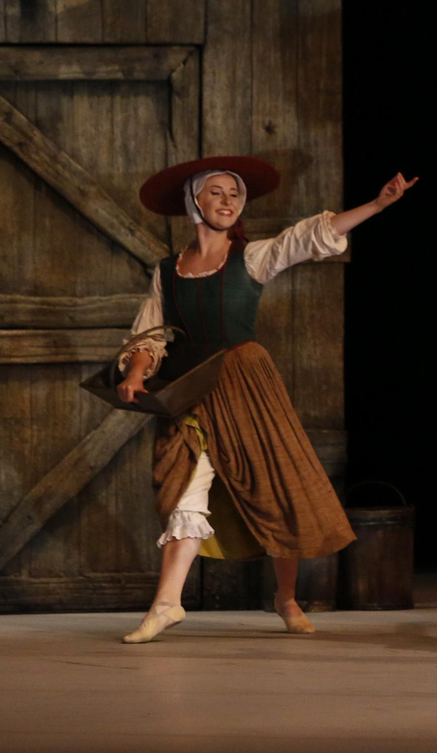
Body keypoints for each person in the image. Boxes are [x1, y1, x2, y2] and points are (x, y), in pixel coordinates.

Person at [116, 157, 417, 644]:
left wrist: (378, 205)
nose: (228, 201)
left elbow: (306, 238)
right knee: (186, 487)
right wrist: (134, 372)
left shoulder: (251, 257)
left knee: (276, 486)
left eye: (234, 195)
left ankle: (287, 598)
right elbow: (149, 335)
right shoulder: (167, 272)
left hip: (245, 383)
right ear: (195, 200)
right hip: (191, 388)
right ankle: (166, 605)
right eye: (216, 192)